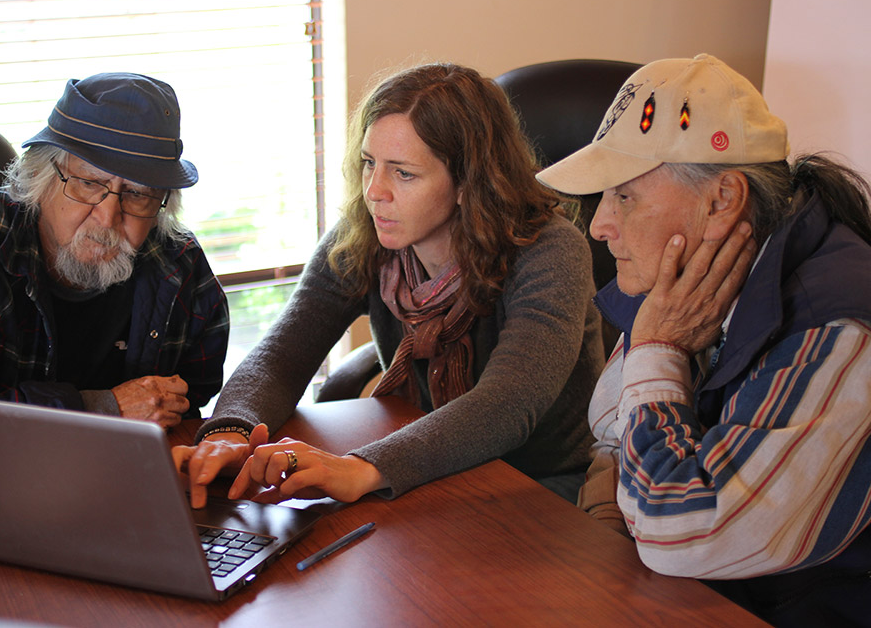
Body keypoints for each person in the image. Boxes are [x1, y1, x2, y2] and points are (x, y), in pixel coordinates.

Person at [172, 62, 604, 507]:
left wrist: (363, 468)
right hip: (427, 462)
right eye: (368, 164)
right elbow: (283, 355)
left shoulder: (549, 251)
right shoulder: (364, 234)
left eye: (403, 173)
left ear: (467, 182)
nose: (374, 191)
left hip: (541, 482)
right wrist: (230, 431)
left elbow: (509, 402)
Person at [536, 54, 871, 624]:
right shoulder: (696, 275)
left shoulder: (840, 330)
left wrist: (657, 353)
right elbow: (611, 433)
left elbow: (680, 532)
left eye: (624, 196)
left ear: (722, 199)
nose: (597, 226)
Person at [0, 72, 229, 478]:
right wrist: (97, 409)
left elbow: (191, 404)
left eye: (138, 194)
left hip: (124, 490)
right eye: (89, 183)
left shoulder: (177, 262)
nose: (108, 216)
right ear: (40, 178)